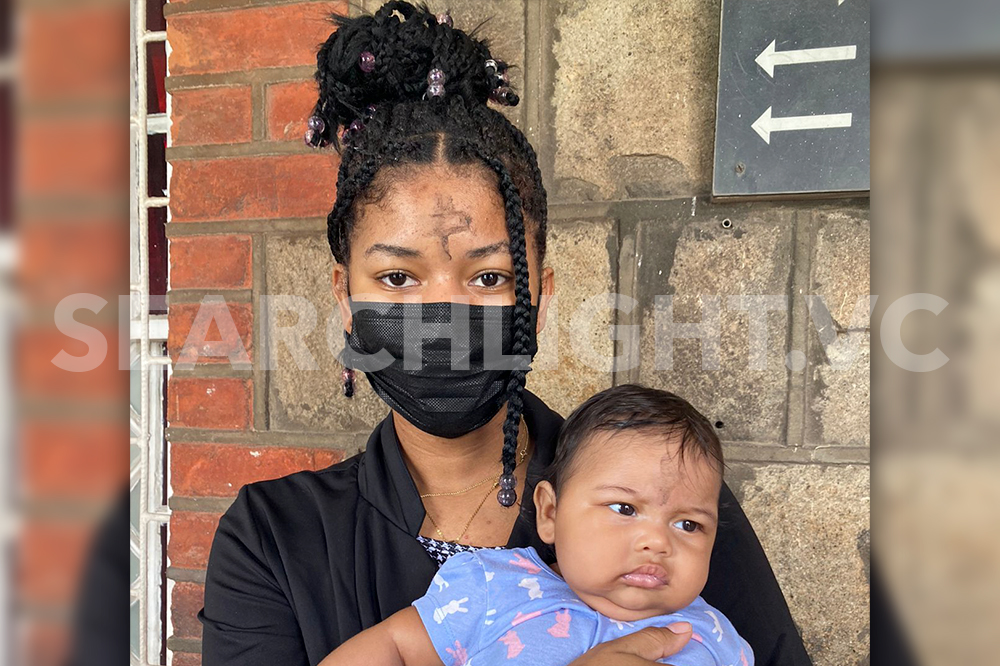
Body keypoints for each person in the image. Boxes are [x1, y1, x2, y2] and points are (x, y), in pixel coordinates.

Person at [198, 3, 812, 665]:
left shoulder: (665, 490)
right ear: (345, 300)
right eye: (398, 279)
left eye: (488, 278)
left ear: (541, 298)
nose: (442, 321)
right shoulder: (275, 539)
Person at [318, 385, 753, 666]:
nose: (657, 542)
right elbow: (394, 648)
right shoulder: (494, 591)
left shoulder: (713, 639)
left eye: (688, 525)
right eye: (623, 508)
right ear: (549, 513)